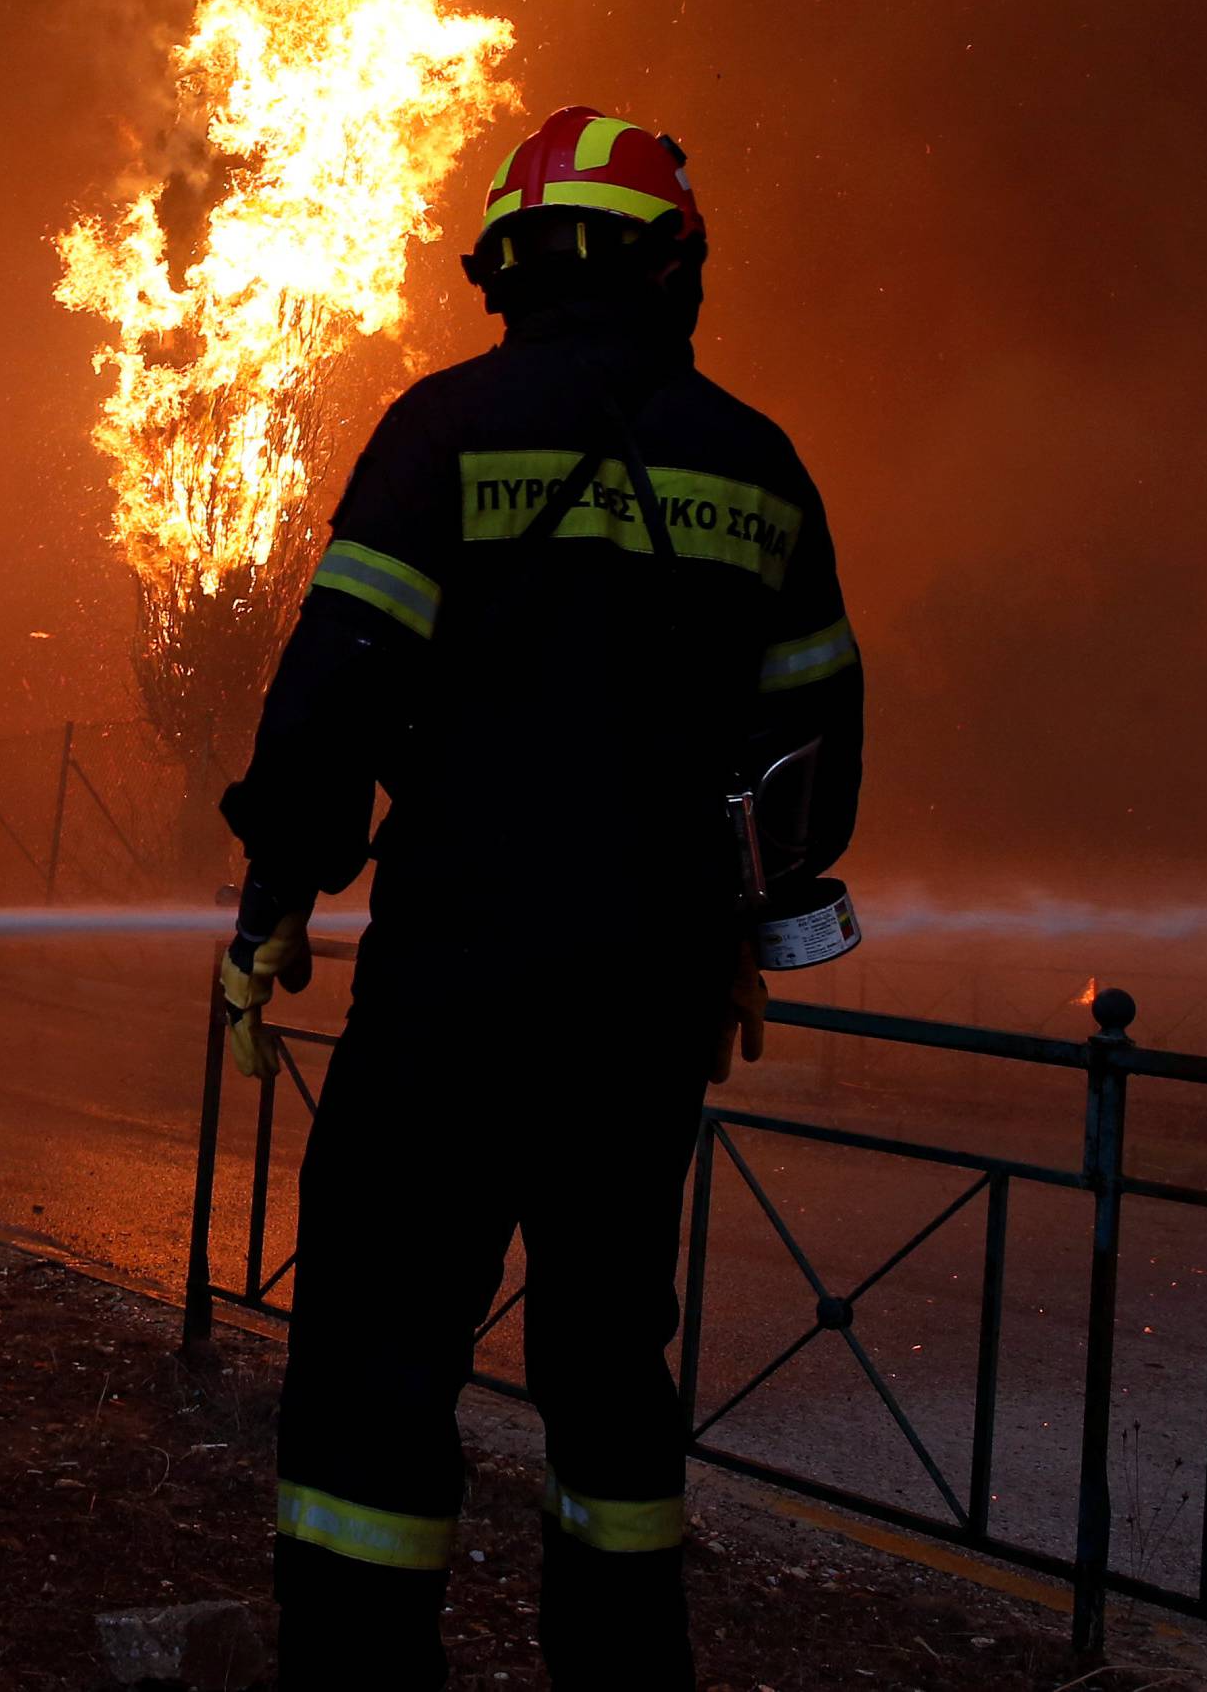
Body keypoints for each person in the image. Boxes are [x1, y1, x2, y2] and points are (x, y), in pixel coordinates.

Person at [218, 109, 863, 1689]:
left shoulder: (441, 432)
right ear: (676, 264)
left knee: (379, 1347)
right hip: (643, 1008)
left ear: (506, 265)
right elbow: (814, 748)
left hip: (453, 983)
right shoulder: (760, 466)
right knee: (608, 1367)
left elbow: (338, 693)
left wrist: (276, 897)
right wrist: (747, 921)